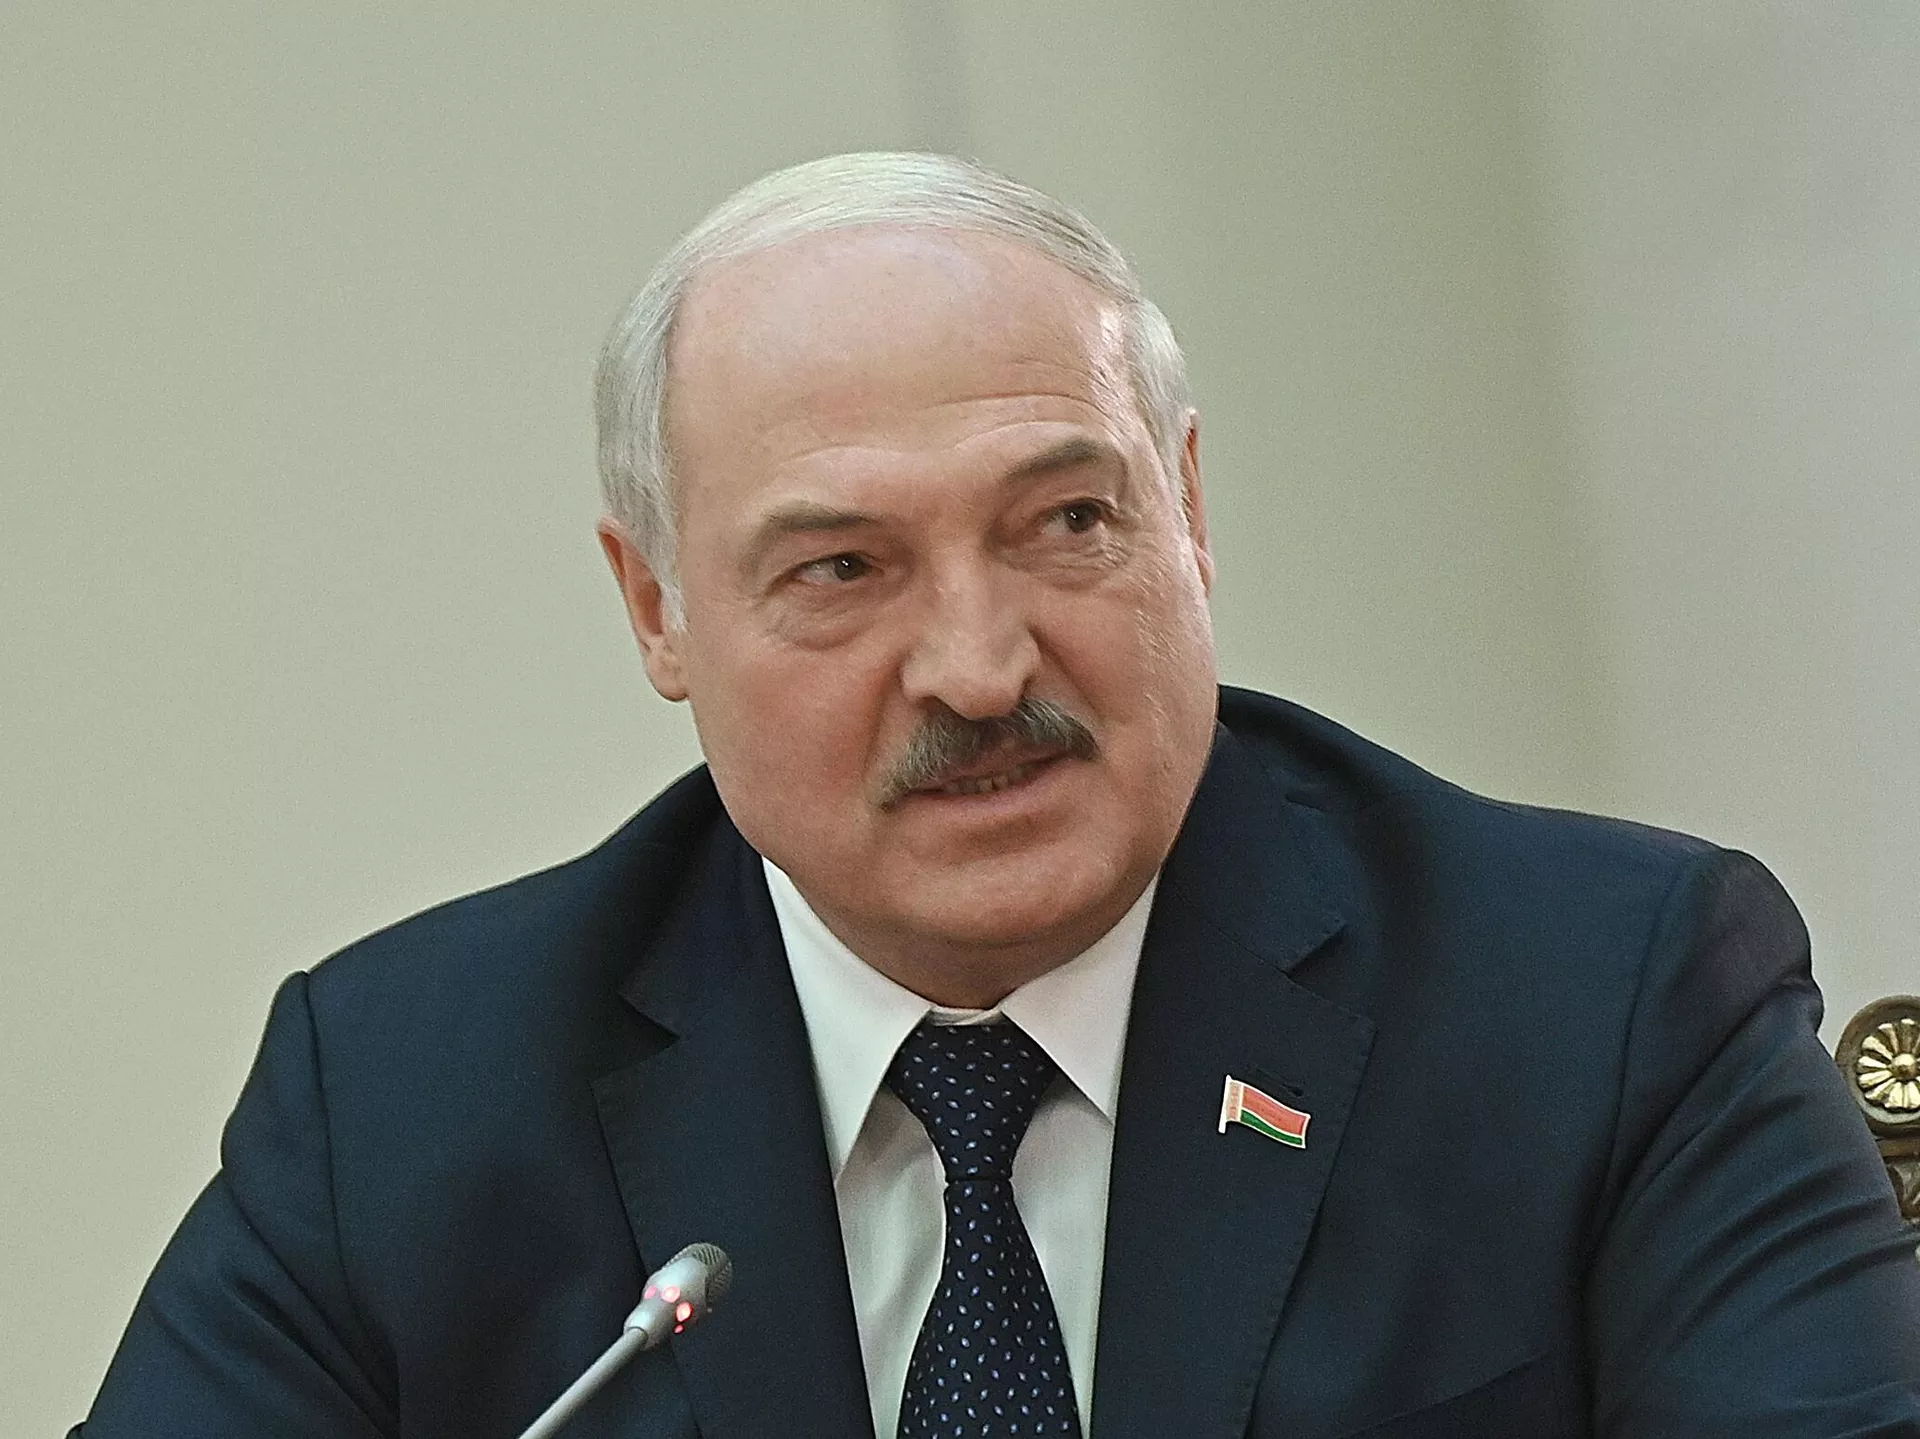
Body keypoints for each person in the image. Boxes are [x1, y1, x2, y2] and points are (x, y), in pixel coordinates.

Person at [75, 153, 1920, 1439]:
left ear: (1188, 514)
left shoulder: (1607, 1005)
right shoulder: (402, 1102)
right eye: (842, 569)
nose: (976, 666)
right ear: (658, 613)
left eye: (1065, 522)